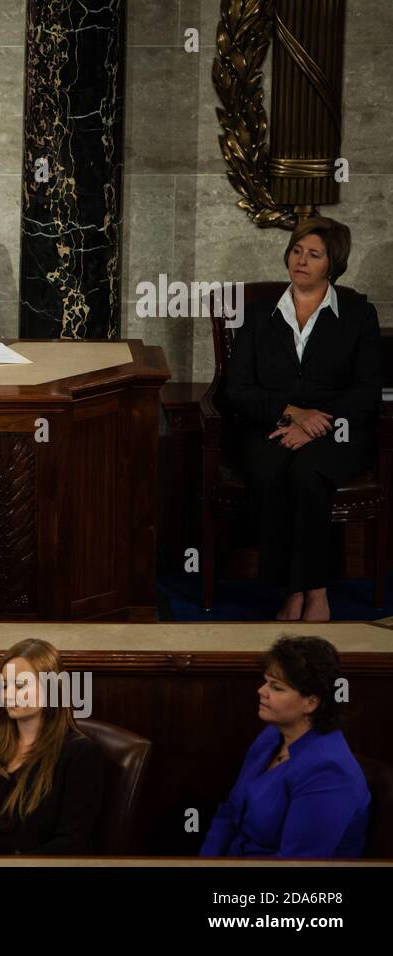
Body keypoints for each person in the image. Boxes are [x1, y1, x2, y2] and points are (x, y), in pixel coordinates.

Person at [225, 217, 382, 622]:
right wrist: (293, 414)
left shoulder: (358, 314)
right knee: (269, 468)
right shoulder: (259, 313)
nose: (301, 260)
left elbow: (366, 391)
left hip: (338, 429)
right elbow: (237, 388)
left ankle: (314, 593)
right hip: (270, 424)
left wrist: (316, 423)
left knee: (308, 475)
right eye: (297, 250)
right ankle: (295, 591)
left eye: (314, 254)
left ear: (333, 263)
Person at [201, 636, 369, 858]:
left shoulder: (329, 772)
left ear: (311, 702)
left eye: (276, 687)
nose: (261, 691)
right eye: (265, 681)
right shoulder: (272, 736)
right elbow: (230, 813)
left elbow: (296, 864)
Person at [0, 638, 104, 854]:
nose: (8, 694)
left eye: (20, 685)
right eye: (4, 685)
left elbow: (70, 844)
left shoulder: (81, 755)